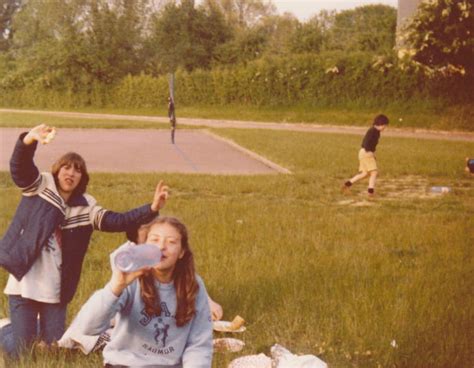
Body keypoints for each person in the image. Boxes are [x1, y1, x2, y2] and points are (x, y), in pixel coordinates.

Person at [0, 124, 169, 357]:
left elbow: (118, 221)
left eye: (77, 170)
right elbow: (20, 168)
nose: (71, 173)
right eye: (66, 167)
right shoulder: (40, 185)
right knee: (21, 354)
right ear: (58, 170)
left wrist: (151, 208)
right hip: (24, 285)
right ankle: (5, 327)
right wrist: (29, 139)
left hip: (55, 290)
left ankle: (31, 329)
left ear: (82, 177)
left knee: (54, 350)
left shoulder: (86, 207)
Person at [70, 216, 213, 367]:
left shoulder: (193, 285)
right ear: (144, 246)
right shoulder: (132, 279)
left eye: (171, 242)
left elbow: (199, 345)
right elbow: (87, 328)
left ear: (182, 252)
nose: (161, 246)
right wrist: (115, 286)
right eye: (154, 240)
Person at [342, 114, 389, 197]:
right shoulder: (373, 131)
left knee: (365, 173)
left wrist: (373, 153)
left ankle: (347, 184)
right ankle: (370, 192)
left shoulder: (376, 132)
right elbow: (366, 142)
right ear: (380, 124)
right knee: (374, 172)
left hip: (363, 152)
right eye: (384, 125)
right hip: (366, 152)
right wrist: (369, 151)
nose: (385, 128)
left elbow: (372, 145)